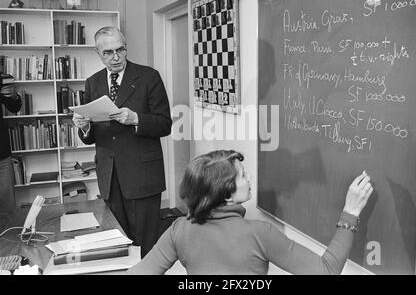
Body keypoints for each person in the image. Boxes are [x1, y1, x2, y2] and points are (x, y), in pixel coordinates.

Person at [126, 149, 374, 275]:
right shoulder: (260, 233)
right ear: (226, 192)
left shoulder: (179, 229)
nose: (249, 178)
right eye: (243, 175)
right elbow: (326, 271)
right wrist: (350, 213)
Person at [72, 26, 172, 257]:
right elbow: (91, 136)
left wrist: (137, 118)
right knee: (118, 242)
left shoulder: (149, 77)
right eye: (108, 52)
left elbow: (165, 123)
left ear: (126, 48)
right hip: (109, 175)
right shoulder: (93, 82)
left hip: (143, 174)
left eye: (120, 50)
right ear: (98, 53)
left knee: (146, 244)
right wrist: (84, 126)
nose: (116, 57)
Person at [0, 80, 21, 215]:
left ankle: (9, 235)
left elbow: (14, 107)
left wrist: (14, 96)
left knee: (7, 205)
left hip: (1, 153)